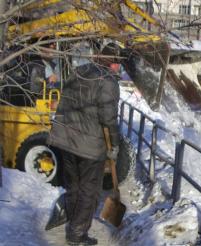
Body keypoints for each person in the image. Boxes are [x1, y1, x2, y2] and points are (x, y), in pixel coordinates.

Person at [47, 42, 122, 246]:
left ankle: (74, 223)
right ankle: (77, 234)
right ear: (113, 63)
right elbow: (109, 118)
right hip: (89, 147)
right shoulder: (107, 81)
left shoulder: (79, 71)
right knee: (89, 190)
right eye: (118, 64)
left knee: (74, 185)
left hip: (66, 139)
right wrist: (114, 145)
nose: (119, 68)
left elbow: (64, 101)